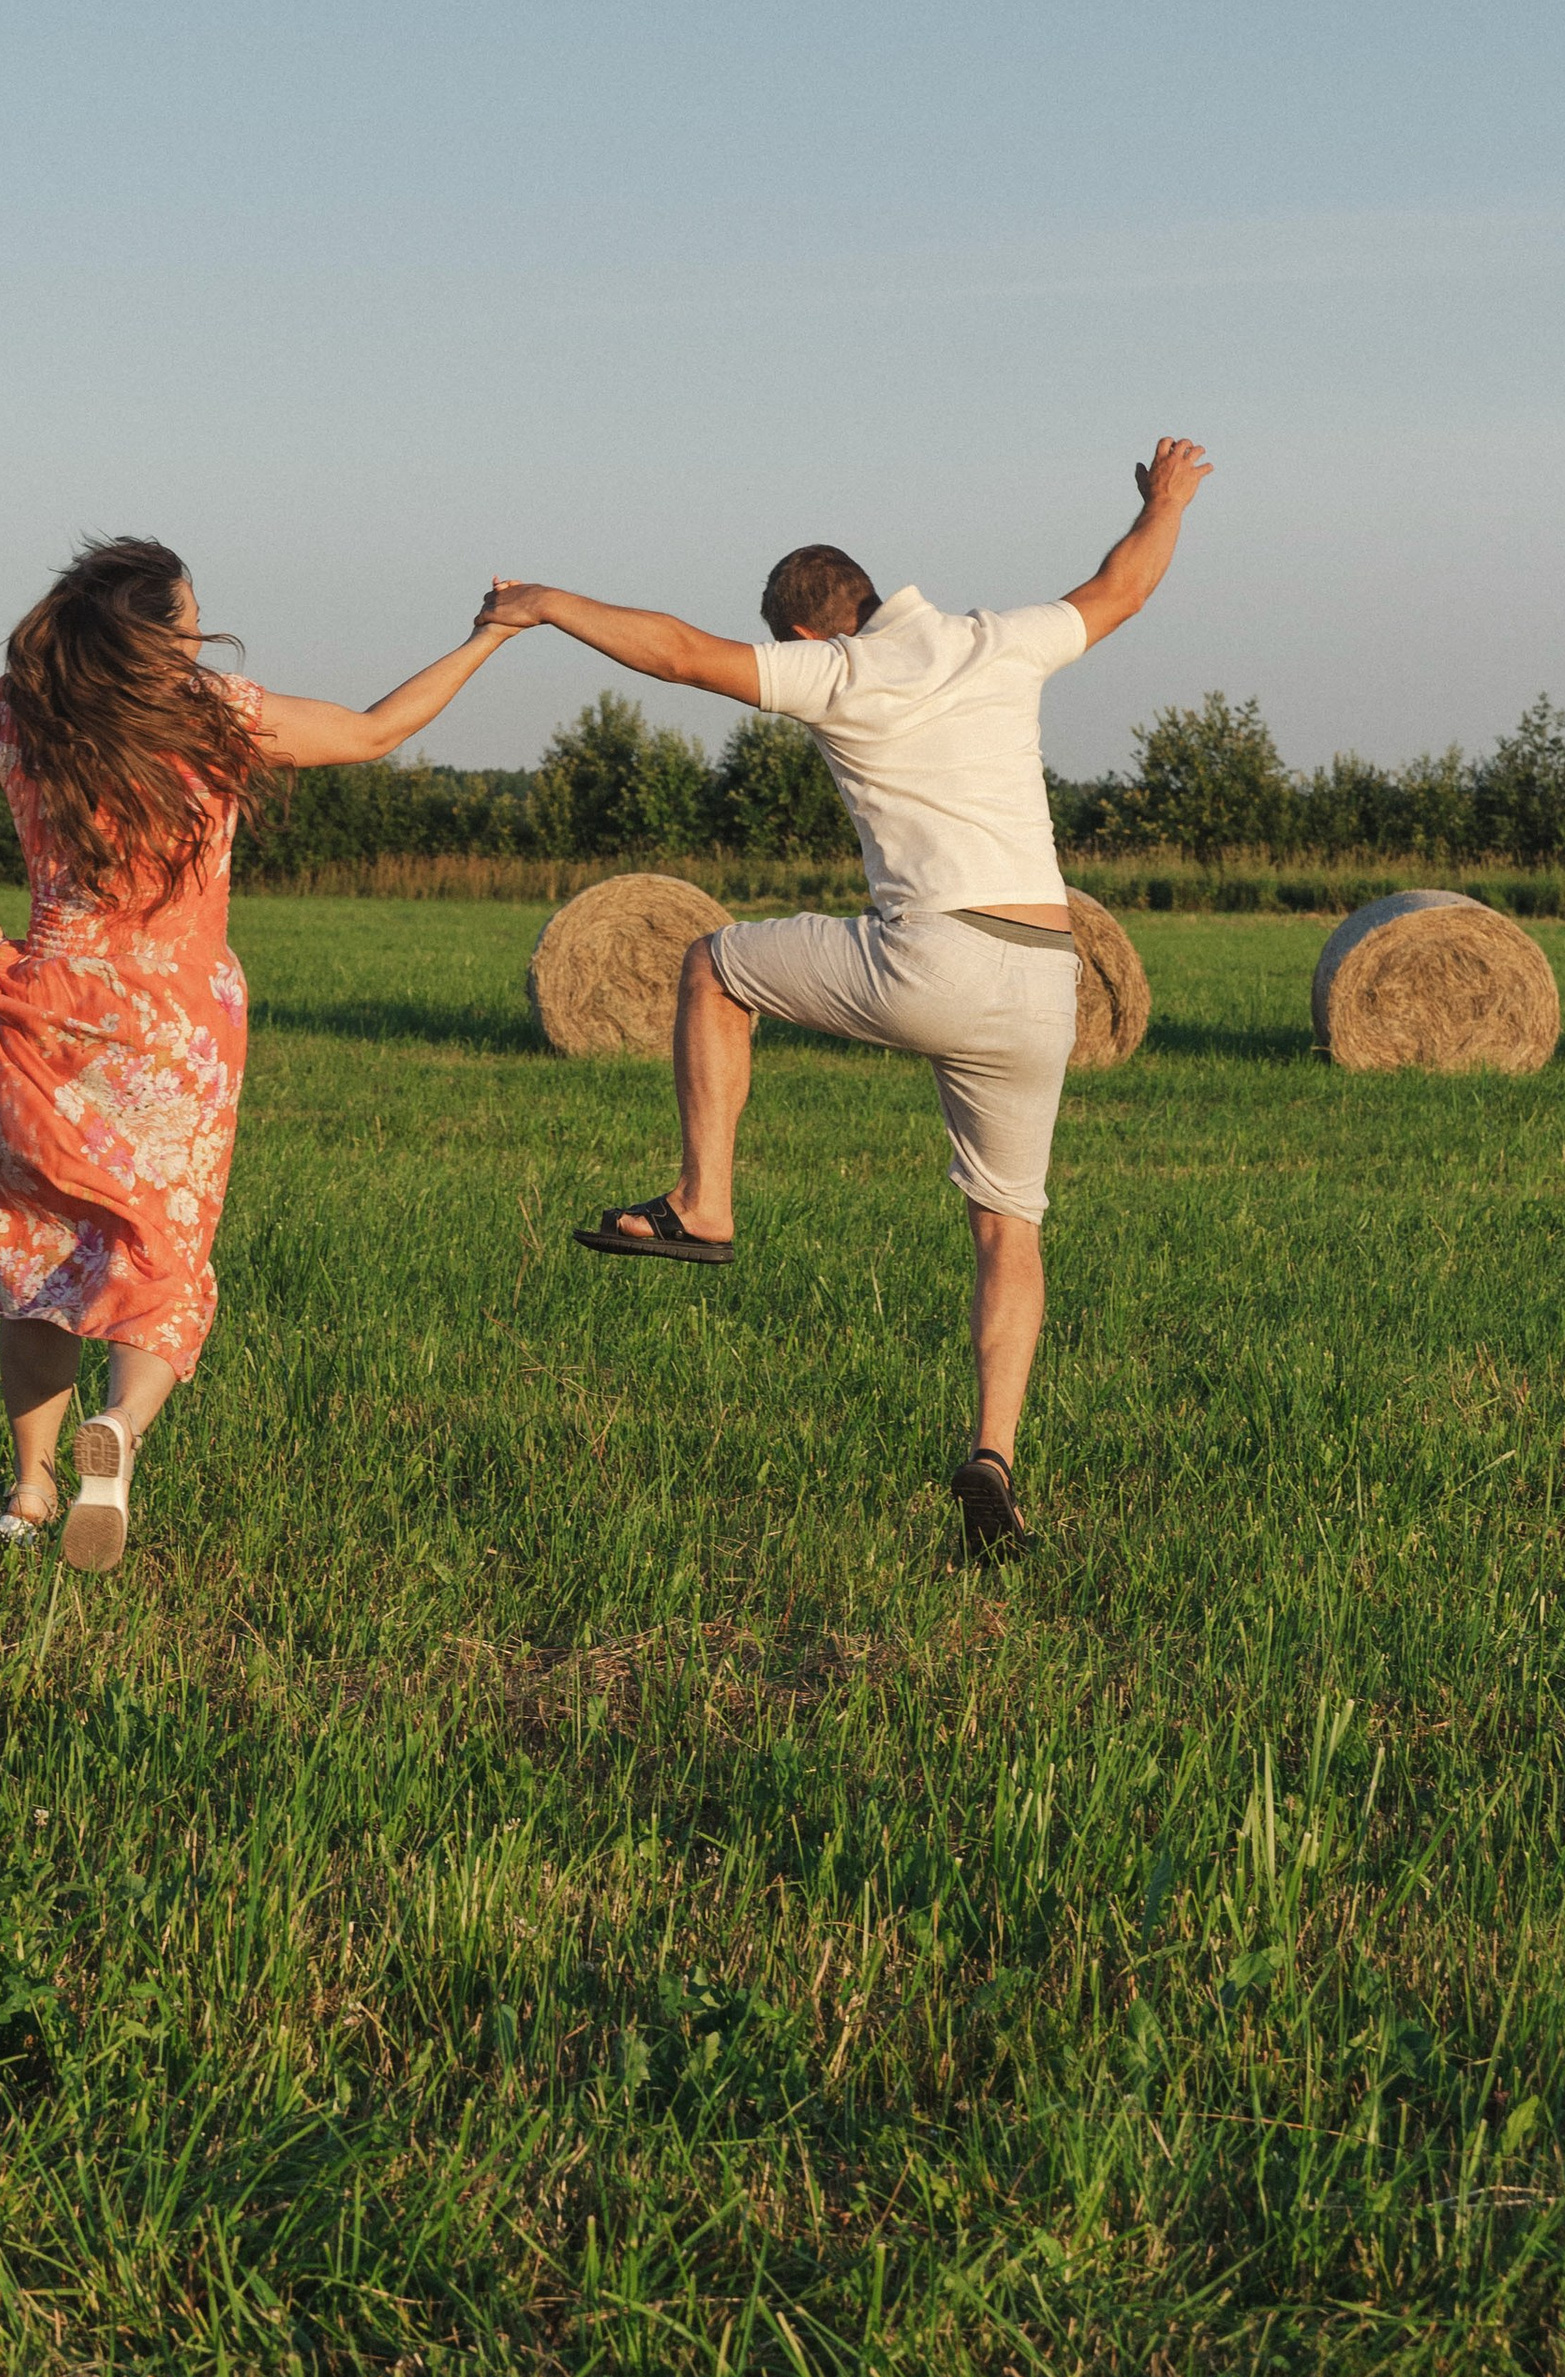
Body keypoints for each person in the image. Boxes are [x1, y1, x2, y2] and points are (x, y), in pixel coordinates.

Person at [479, 439, 1212, 1556]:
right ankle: (992, 1454)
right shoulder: (992, 641)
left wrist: (545, 602)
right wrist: (1164, 500)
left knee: (712, 966)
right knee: (1007, 1228)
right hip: (1045, 981)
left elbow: (677, 653)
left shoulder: (840, 671)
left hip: (937, 959)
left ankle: (704, 1204)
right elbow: (1125, 584)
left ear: (806, 633)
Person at [0, 537, 519, 1572]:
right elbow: (373, 732)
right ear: (164, 632)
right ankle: (121, 1428)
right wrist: (486, 636)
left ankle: (28, 1493)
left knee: (38, 1253)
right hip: (176, 1024)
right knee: (162, 1250)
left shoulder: (27, 713)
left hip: (53, 1013)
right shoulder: (216, 714)